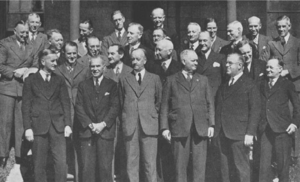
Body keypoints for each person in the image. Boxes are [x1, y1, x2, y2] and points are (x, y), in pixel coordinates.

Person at [160, 49, 214, 182]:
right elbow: (164, 106)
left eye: (197, 60)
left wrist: (211, 124)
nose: (197, 62)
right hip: (179, 127)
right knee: (180, 167)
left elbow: (210, 103)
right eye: (193, 60)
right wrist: (164, 128)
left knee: (199, 167)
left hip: (200, 127)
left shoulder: (203, 80)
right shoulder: (171, 80)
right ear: (184, 61)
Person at [22, 49, 72, 182]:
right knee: (39, 164)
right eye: (52, 60)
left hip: (58, 126)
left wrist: (67, 124)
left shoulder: (59, 80)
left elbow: (65, 103)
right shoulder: (31, 80)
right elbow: (26, 106)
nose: (56, 63)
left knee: (61, 163)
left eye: (56, 60)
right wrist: (27, 128)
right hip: (38, 127)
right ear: (43, 61)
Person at [215, 53, 261, 182]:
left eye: (230, 63)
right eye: (226, 62)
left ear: (240, 65)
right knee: (225, 170)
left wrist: (250, 133)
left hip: (240, 134)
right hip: (222, 133)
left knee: (241, 170)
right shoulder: (224, 85)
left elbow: (255, 110)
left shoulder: (249, 84)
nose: (226, 65)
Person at [118, 48, 162, 182]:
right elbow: (121, 102)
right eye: (132, 59)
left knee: (150, 163)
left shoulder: (154, 78)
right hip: (131, 126)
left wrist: (150, 114)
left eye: (138, 59)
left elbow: (159, 102)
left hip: (149, 125)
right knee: (131, 163)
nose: (134, 62)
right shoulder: (124, 79)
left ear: (145, 60)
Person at [75, 55, 119, 182]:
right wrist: (90, 125)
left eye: (98, 66)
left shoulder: (112, 85)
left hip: (105, 132)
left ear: (104, 67)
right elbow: (79, 107)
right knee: (87, 168)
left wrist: (102, 124)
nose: (95, 69)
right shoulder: (83, 85)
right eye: (92, 66)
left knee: (105, 168)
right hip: (87, 132)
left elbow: (115, 107)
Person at [261, 15, 300, 158]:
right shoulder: (272, 44)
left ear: (289, 26)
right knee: (279, 119)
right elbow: (265, 61)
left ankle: (294, 155)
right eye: (279, 27)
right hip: (277, 88)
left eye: (284, 26)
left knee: (293, 118)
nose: (281, 29)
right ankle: (279, 156)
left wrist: (288, 71)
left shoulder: (297, 42)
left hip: (294, 86)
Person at [0, 20, 37, 167]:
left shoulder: (31, 46)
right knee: (5, 123)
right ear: (14, 31)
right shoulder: (4, 43)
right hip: (7, 88)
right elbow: (0, 65)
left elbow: (35, 64)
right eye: (21, 32)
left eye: (26, 32)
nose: (24, 35)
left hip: (24, 88)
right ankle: (2, 155)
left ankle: (21, 155)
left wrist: (27, 71)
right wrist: (14, 72)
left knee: (22, 122)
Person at [259, 58, 300, 182]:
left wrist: (294, 123)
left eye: (271, 67)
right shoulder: (261, 83)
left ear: (280, 69)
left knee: (282, 166)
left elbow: (297, 106)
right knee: (263, 166)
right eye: (267, 67)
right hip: (265, 129)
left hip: (282, 130)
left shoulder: (287, 84)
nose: (268, 70)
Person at [54, 41, 90, 181]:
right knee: (63, 148)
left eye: (74, 53)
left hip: (80, 113)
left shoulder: (85, 69)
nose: (72, 56)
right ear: (64, 53)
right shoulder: (57, 70)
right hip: (63, 113)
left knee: (79, 147)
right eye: (69, 53)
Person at [103, 44, 132, 181]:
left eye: (112, 54)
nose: (109, 56)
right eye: (108, 54)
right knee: (110, 147)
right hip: (109, 115)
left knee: (125, 147)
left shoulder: (130, 71)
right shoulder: (104, 71)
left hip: (125, 116)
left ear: (121, 55)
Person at [196, 31, 226, 97]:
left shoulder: (220, 58)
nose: (202, 43)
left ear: (211, 40)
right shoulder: (195, 58)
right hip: (199, 95)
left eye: (205, 40)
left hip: (215, 95)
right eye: (200, 41)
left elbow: (225, 78)